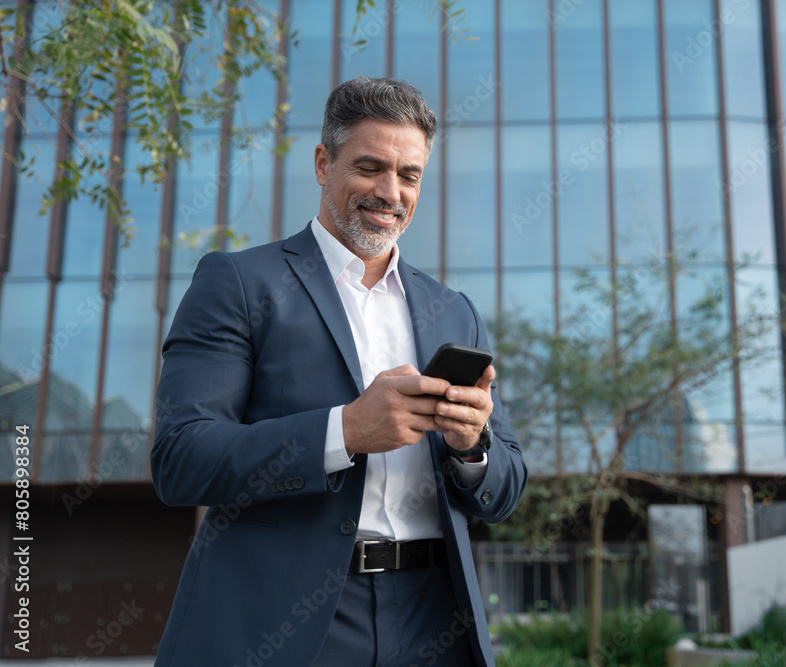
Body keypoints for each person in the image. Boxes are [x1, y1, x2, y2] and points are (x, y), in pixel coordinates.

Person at [150, 76, 527, 667]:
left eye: (409, 175)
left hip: (437, 617)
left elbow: (503, 491)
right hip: (293, 620)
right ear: (324, 163)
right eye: (370, 167)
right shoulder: (239, 283)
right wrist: (344, 431)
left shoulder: (454, 311)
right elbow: (181, 460)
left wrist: (471, 447)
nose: (390, 192)